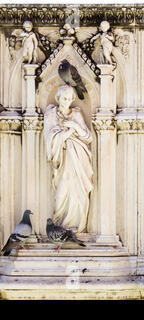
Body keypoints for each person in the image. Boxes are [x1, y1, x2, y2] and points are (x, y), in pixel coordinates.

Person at [43, 85, 93, 233]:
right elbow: (49, 138)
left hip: (79, 161)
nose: (67, 101)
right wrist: (66, 134)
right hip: (62, 161)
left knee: (78, 191)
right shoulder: (51, 114)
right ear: (58, 98)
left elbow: (88, 137)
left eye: (70, 98)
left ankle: (75, 228)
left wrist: (73, 126)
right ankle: (59, 226)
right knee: (61, 193)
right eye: (64, 98)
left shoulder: (76, 115)